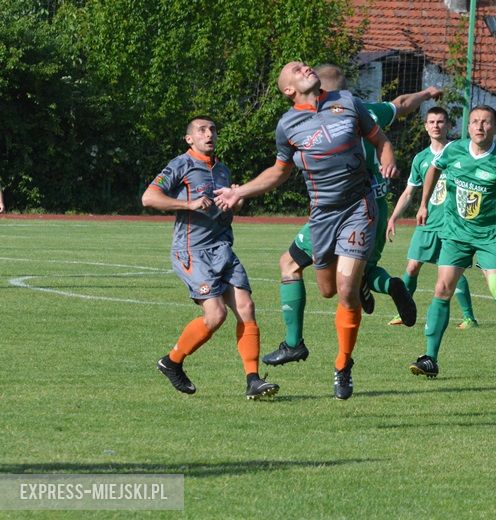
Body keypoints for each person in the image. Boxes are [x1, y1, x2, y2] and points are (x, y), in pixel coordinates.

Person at [215, 61, 399, 400]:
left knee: (346, 290)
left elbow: (380, 140)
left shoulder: (347, 102)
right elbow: (279, 171)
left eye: (306, 65)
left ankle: (343, 366)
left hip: (359, 207)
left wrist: (387, 157)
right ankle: (301, 339)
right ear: (289, 90)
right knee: (327, 290)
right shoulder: (288, 125)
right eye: (297, 70)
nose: (306, 68)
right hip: (322, 215)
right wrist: (239, 191)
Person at [262, 64, 441, 367]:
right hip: (375, 205)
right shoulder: (368, 110)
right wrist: (426, 93)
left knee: (295, 265)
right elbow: (400, 105)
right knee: (355, 272)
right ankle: (387, 285)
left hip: (343, 205)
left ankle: (299, 344)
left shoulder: (333, 113)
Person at [141, 115, 279, 399]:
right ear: (189, 138)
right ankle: (171, 361)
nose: (209, 134)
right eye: (202, 130)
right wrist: (187, 203)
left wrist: (235, 200)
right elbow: (149, 198)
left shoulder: (222, 170)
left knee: (246, 307)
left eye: (213, 129)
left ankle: (253, 380)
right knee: (215, 315)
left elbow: (225, 210)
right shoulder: (181, 165)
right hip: (191, 251)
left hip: (222, 248)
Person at [410, 105, 496, 379]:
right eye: (475, 121)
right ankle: (430, 357)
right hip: (455, 235)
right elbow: (433, 169)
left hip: (490, 237)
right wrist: (424, 203)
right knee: (442, 289)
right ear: (468, 127)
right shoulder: (453, 150)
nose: (479, 126)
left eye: (486, 122)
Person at [386, 106, 478, 329]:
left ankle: (469, 317)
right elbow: (409, 192)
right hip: (427, 223)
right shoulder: (421, 159)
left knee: (451, 269)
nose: (436, 126)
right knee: (412, 267)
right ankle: (404, 312)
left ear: (449, 125)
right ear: (426, 127)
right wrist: (393, 217)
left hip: (453, 224)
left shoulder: (460, 151)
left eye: (440, 122)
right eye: (432, 122)